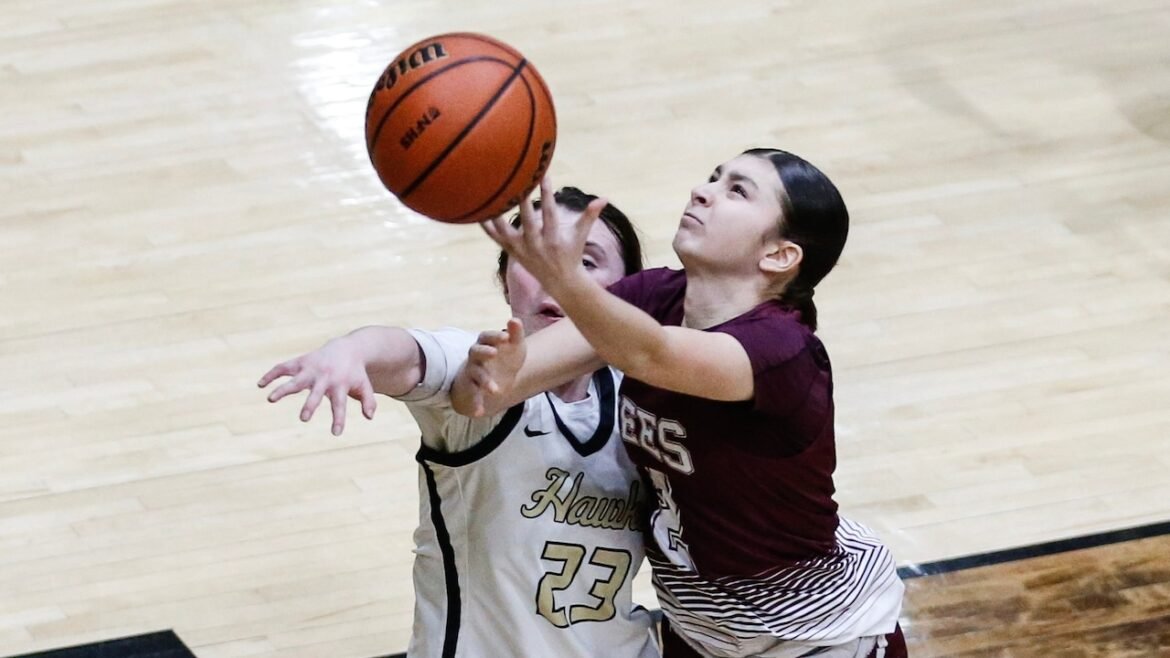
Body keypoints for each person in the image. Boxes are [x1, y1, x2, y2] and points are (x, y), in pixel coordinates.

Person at [454, 151, 907, 658]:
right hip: (700, 628)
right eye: (714, 177)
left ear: (780, 255)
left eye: (737, 190)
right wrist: (493, 373)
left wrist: (565, 278)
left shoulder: (783, 353)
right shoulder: (654, 296)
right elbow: (484, 396)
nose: (702, 190)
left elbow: (654, 353)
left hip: (813, 636)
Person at [257, 187, 660, 658]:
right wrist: (350, 350)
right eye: (534, 258)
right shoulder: (478, 363)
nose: (558, 277)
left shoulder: (647, 399)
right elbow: (407, 356)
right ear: (505, 279)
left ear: (630, 290)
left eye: (585, 262)